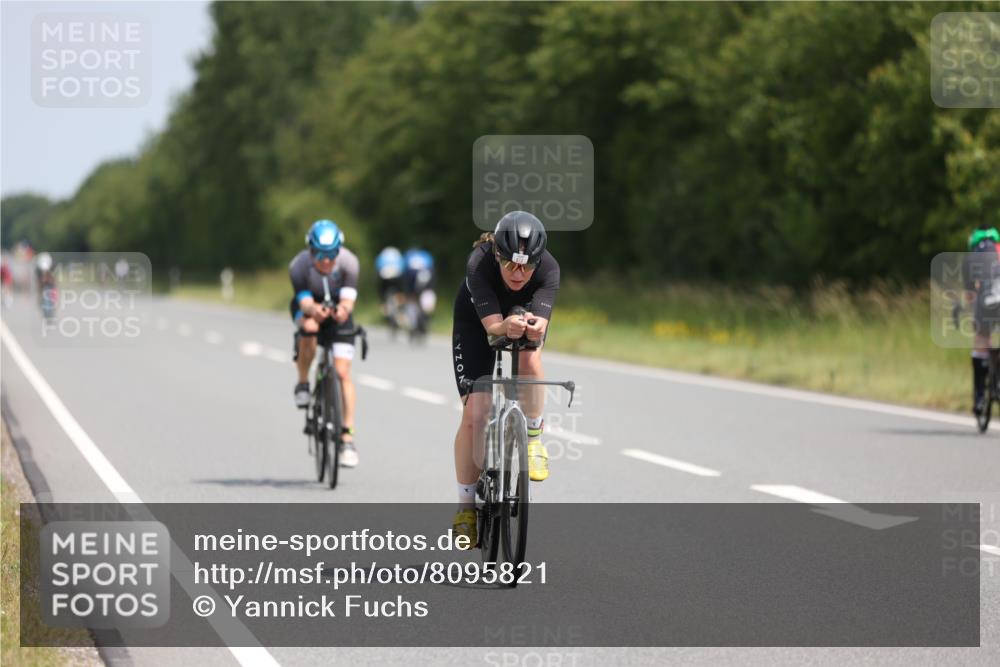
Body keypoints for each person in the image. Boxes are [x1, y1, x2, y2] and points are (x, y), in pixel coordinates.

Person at [449, 211, 560, 546]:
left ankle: (534, 436)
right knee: (476, 413)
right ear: (497, 254)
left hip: (522, 312)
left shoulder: (549, 269)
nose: (518, 272)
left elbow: (538, 325)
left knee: (530, 354)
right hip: (477, 320)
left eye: (527, 266)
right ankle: (466, 507)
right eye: (510, 263)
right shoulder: (478, 265)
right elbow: (492, 330)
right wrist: (503, 327)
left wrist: (537, 325)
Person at [289, 220, 362, 467]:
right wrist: (314, 311)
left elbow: (348, 301)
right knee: (309, 330)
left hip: (338, 308)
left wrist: (342, 310)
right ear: (310, 250)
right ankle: (302, 383)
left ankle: (347, 437)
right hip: (309, 306)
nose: (326, 261)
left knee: (342, 372)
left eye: (331, 254)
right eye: (320, 254)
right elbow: (304, 301)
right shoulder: (299, 266)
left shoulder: (349, 262)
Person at [961, 225, 1000, 416]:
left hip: (987, 302)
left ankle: (979, 397)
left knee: (981, 341)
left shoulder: (972, 257)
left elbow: (970, 295)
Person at [402, 247, 436, 336]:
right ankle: (425, 316)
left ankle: (413, 323)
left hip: (411, 275)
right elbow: (432, 269)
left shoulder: (408, 256)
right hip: (427, 274)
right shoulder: (426, 255)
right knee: (427, 293)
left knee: (411, 298)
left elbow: (404, 272)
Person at [375, 246, 406, 329]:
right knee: (400, 292)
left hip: (385, 274)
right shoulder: (397, 255)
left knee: (382, 290)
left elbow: (378, 268)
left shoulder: (383, 256)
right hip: (397, 274)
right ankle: (401, 311)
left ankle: (385, 306)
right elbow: (403, 268)